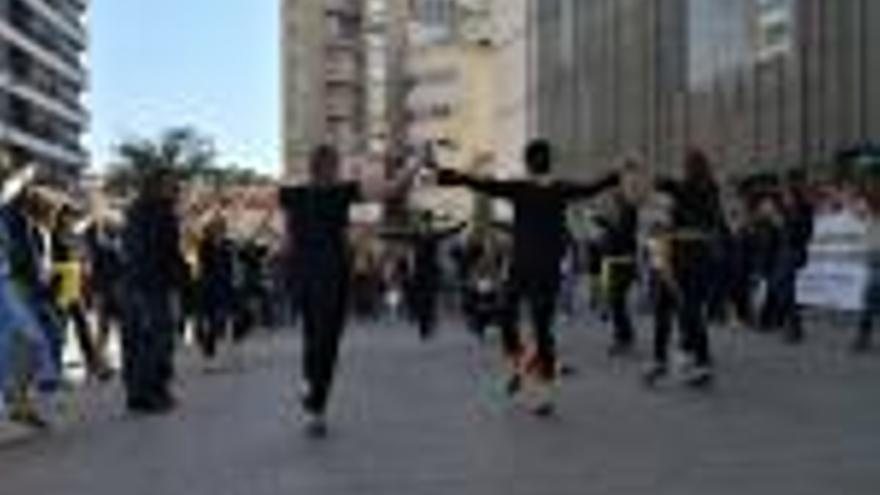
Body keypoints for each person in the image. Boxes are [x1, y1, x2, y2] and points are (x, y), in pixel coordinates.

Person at [437, 140, 619, 415]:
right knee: (542, 328)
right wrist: (616, 174)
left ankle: (521, 362)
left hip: (521, 267)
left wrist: (453, 177)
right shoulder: (560, 189)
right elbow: (592, 188)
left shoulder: (520, 189)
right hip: (548, 268)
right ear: (549, 162)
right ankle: (543, 391)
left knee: (506, 314)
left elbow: (485, 185)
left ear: (528, 163)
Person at [279, 145, 421, 437]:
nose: (339, 170)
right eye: (336, 165)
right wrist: (415, 165)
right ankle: (316, 406)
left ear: (310, 166)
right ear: (330, 167)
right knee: (327, 342)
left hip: (303, 277)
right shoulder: (340, 192)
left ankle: (310, 388)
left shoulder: (292, 195)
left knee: (312, 335)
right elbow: (390, 190)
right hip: (332, 277)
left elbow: (287, 238)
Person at [645, 149, 726, 388]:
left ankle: (660, 360)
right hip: (703, 255)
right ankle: (700, 360)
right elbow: (715, 224)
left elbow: (660, 183)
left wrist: (640, 171)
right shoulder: (711, 190)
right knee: (691, 309)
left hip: (680, 254)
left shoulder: (684, 188)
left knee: (665, 306)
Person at [120, 168, 188, 414]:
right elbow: (167, 252)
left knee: (137, 341)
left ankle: (137, 395)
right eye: (171, 185)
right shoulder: (162, 212)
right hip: (152, 285)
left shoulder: (134, 211)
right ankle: (153, 393)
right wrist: (182, 280)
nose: (175, 189)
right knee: (157, 340)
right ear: (157, 185)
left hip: (133, 283)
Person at [382, 211, 465, 340]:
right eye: (423, 222)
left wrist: (460, 226)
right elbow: (399, 235)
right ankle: (423, 324)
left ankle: (428, 323)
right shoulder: (416, 235)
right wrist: (384, 234)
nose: (425, 225)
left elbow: (448, 232)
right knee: (421, 299)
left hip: (431, 272)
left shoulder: (434, 235)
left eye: (427, 222)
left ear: (429, 223)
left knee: (429, 299)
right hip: (420, 272)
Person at [195, 216, 237, 365]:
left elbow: (232, 263)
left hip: (225, 286)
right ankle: (209, 352)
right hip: (209, 287)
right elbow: (203, 265)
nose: (220, 231)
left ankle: (223, 349)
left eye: (221, 228)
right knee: (212, 321)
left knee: (226, 318)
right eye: (217, 228)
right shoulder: (204, 244)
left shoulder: (228, 244)